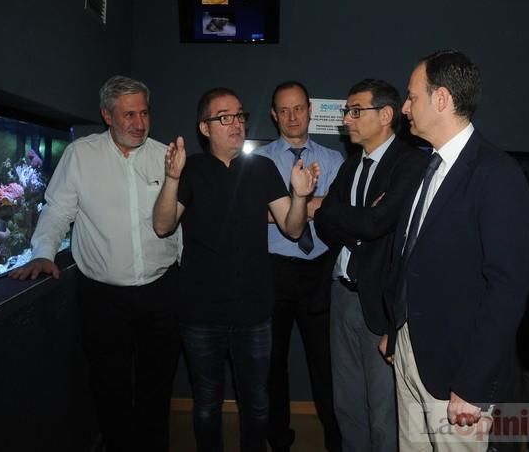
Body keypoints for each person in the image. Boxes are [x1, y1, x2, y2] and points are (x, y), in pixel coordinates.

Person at [8, 76, 182, 452]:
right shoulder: (80, 155)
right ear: (106, 115)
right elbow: (57, 211)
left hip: (161, 293)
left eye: (144, 113)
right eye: (128, 114)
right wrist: (43, 252)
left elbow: (181, 225)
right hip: (103, 298)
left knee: (157, 386)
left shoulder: (165, 156)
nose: (139, 123)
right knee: (109, 386)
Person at [152, 87, 320, 452]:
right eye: (224, 117)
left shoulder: (262, 167)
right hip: (200, 313)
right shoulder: (192, 169)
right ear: (205, 127)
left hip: (255, 312)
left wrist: (301, 195)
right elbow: (163, 225)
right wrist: (172, 178)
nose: (236, 123)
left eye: (240, 115)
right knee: (207, 405)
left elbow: (292, 229)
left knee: (258, 404)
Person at [381, 50, 529, 451]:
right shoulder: (422, 166)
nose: (405, 107)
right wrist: (396, 332)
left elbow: (507, 288)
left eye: (412, 97)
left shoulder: (497, 175)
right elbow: (408, 257)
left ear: (442, 99)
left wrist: (473, 384)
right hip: (412, 355)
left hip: (458, 375)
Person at [314, 78, 428, 452]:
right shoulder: (351, 166)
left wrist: (351, 219)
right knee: (346, 406)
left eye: (355, 110)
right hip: (342, 295)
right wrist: (360, 220)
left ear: (386, 115)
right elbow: (326, 220)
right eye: (347, 110)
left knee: (384, 415)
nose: (347, 118)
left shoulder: (411, 163)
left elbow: (379, 223)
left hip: (380, 302)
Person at [253, 81, 344, 452]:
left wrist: (287, 208)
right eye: (284, 110)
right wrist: (311, 204)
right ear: (274, 114)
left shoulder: (336, 160)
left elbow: (337, 213)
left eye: (298, 108)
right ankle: (279, 440)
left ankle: (336, 441)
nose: (292, 117)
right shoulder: (259, 161)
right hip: (272, 271)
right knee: (273, 366)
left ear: (310, 110)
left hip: (320, 271)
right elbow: (253, 214)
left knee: (326, 367)